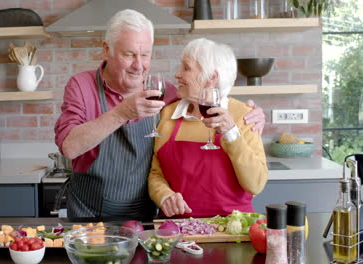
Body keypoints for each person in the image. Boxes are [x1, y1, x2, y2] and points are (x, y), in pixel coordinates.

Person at [54, 9, 265, 218]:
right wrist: (121, 113)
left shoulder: (165, 92)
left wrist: (250, 115)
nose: (139, 65)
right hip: (89, 213)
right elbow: (69, 148)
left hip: (144, 215)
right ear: (107, 49)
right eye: (129, 54)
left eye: (145, 55)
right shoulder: (81, 86)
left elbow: (207, 94)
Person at [148, 38, 268, 218]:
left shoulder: (245, 115)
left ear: (211, 77)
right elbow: (156, 173)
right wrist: (164, 196)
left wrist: (231, 134)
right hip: (178, 230)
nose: (178, 75)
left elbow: (256, 184)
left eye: (186, 68)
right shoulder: (167, 114)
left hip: (232, 230)